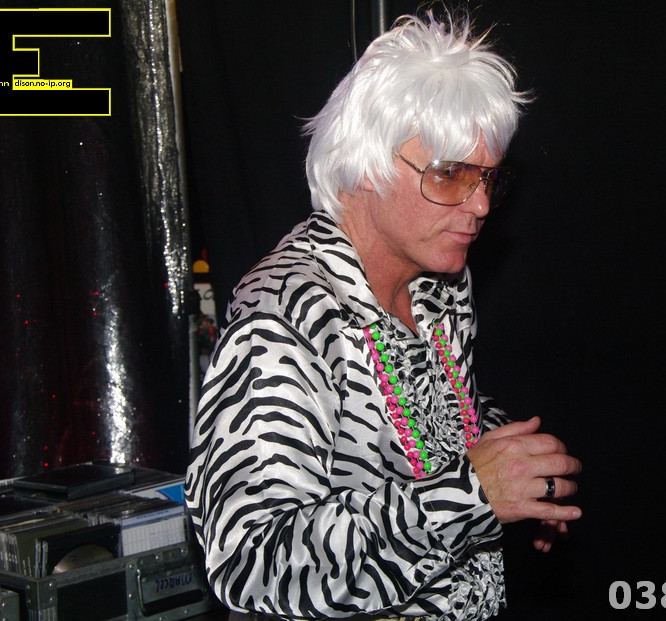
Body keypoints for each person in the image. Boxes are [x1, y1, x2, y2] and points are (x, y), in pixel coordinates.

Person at [185, 11, 582, 621]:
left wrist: (517, 468)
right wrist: (472, 496)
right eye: (450, 174)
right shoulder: (285, 318)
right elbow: (252, 561)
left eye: (488, 178)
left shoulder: (439, 283)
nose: (480, 204)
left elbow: (429, 427)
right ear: (366, 166)